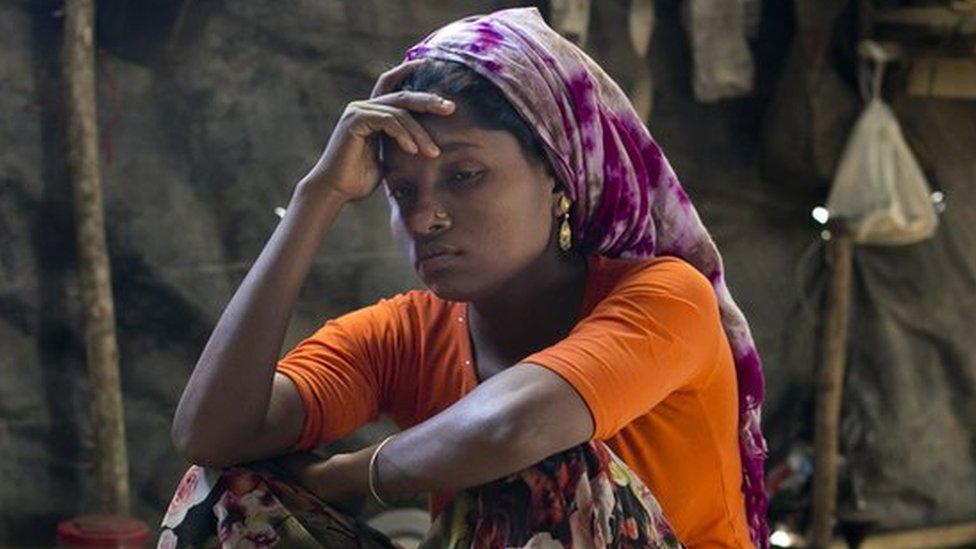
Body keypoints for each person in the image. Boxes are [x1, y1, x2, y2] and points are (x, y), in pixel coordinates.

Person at [162, 7, 768, 548]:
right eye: (403, 190)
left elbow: (514, 426)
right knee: (228, 489)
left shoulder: (664, 296)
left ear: (558, 178)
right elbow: (211, 434)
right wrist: (316, 197)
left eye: (465, 175)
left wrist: (346, 476)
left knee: (544, 466)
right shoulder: (407, 333)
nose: (425, 217)